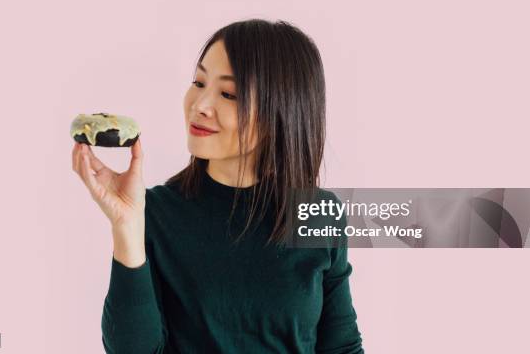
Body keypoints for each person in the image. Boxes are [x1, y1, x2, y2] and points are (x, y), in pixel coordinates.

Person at [72, 19, 364, 353]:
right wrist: (126, 226)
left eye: (229, 93)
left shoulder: (318, 215)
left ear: (281, 110)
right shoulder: (155, 212)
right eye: (198, 82)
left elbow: (342, 348)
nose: (199, 105)